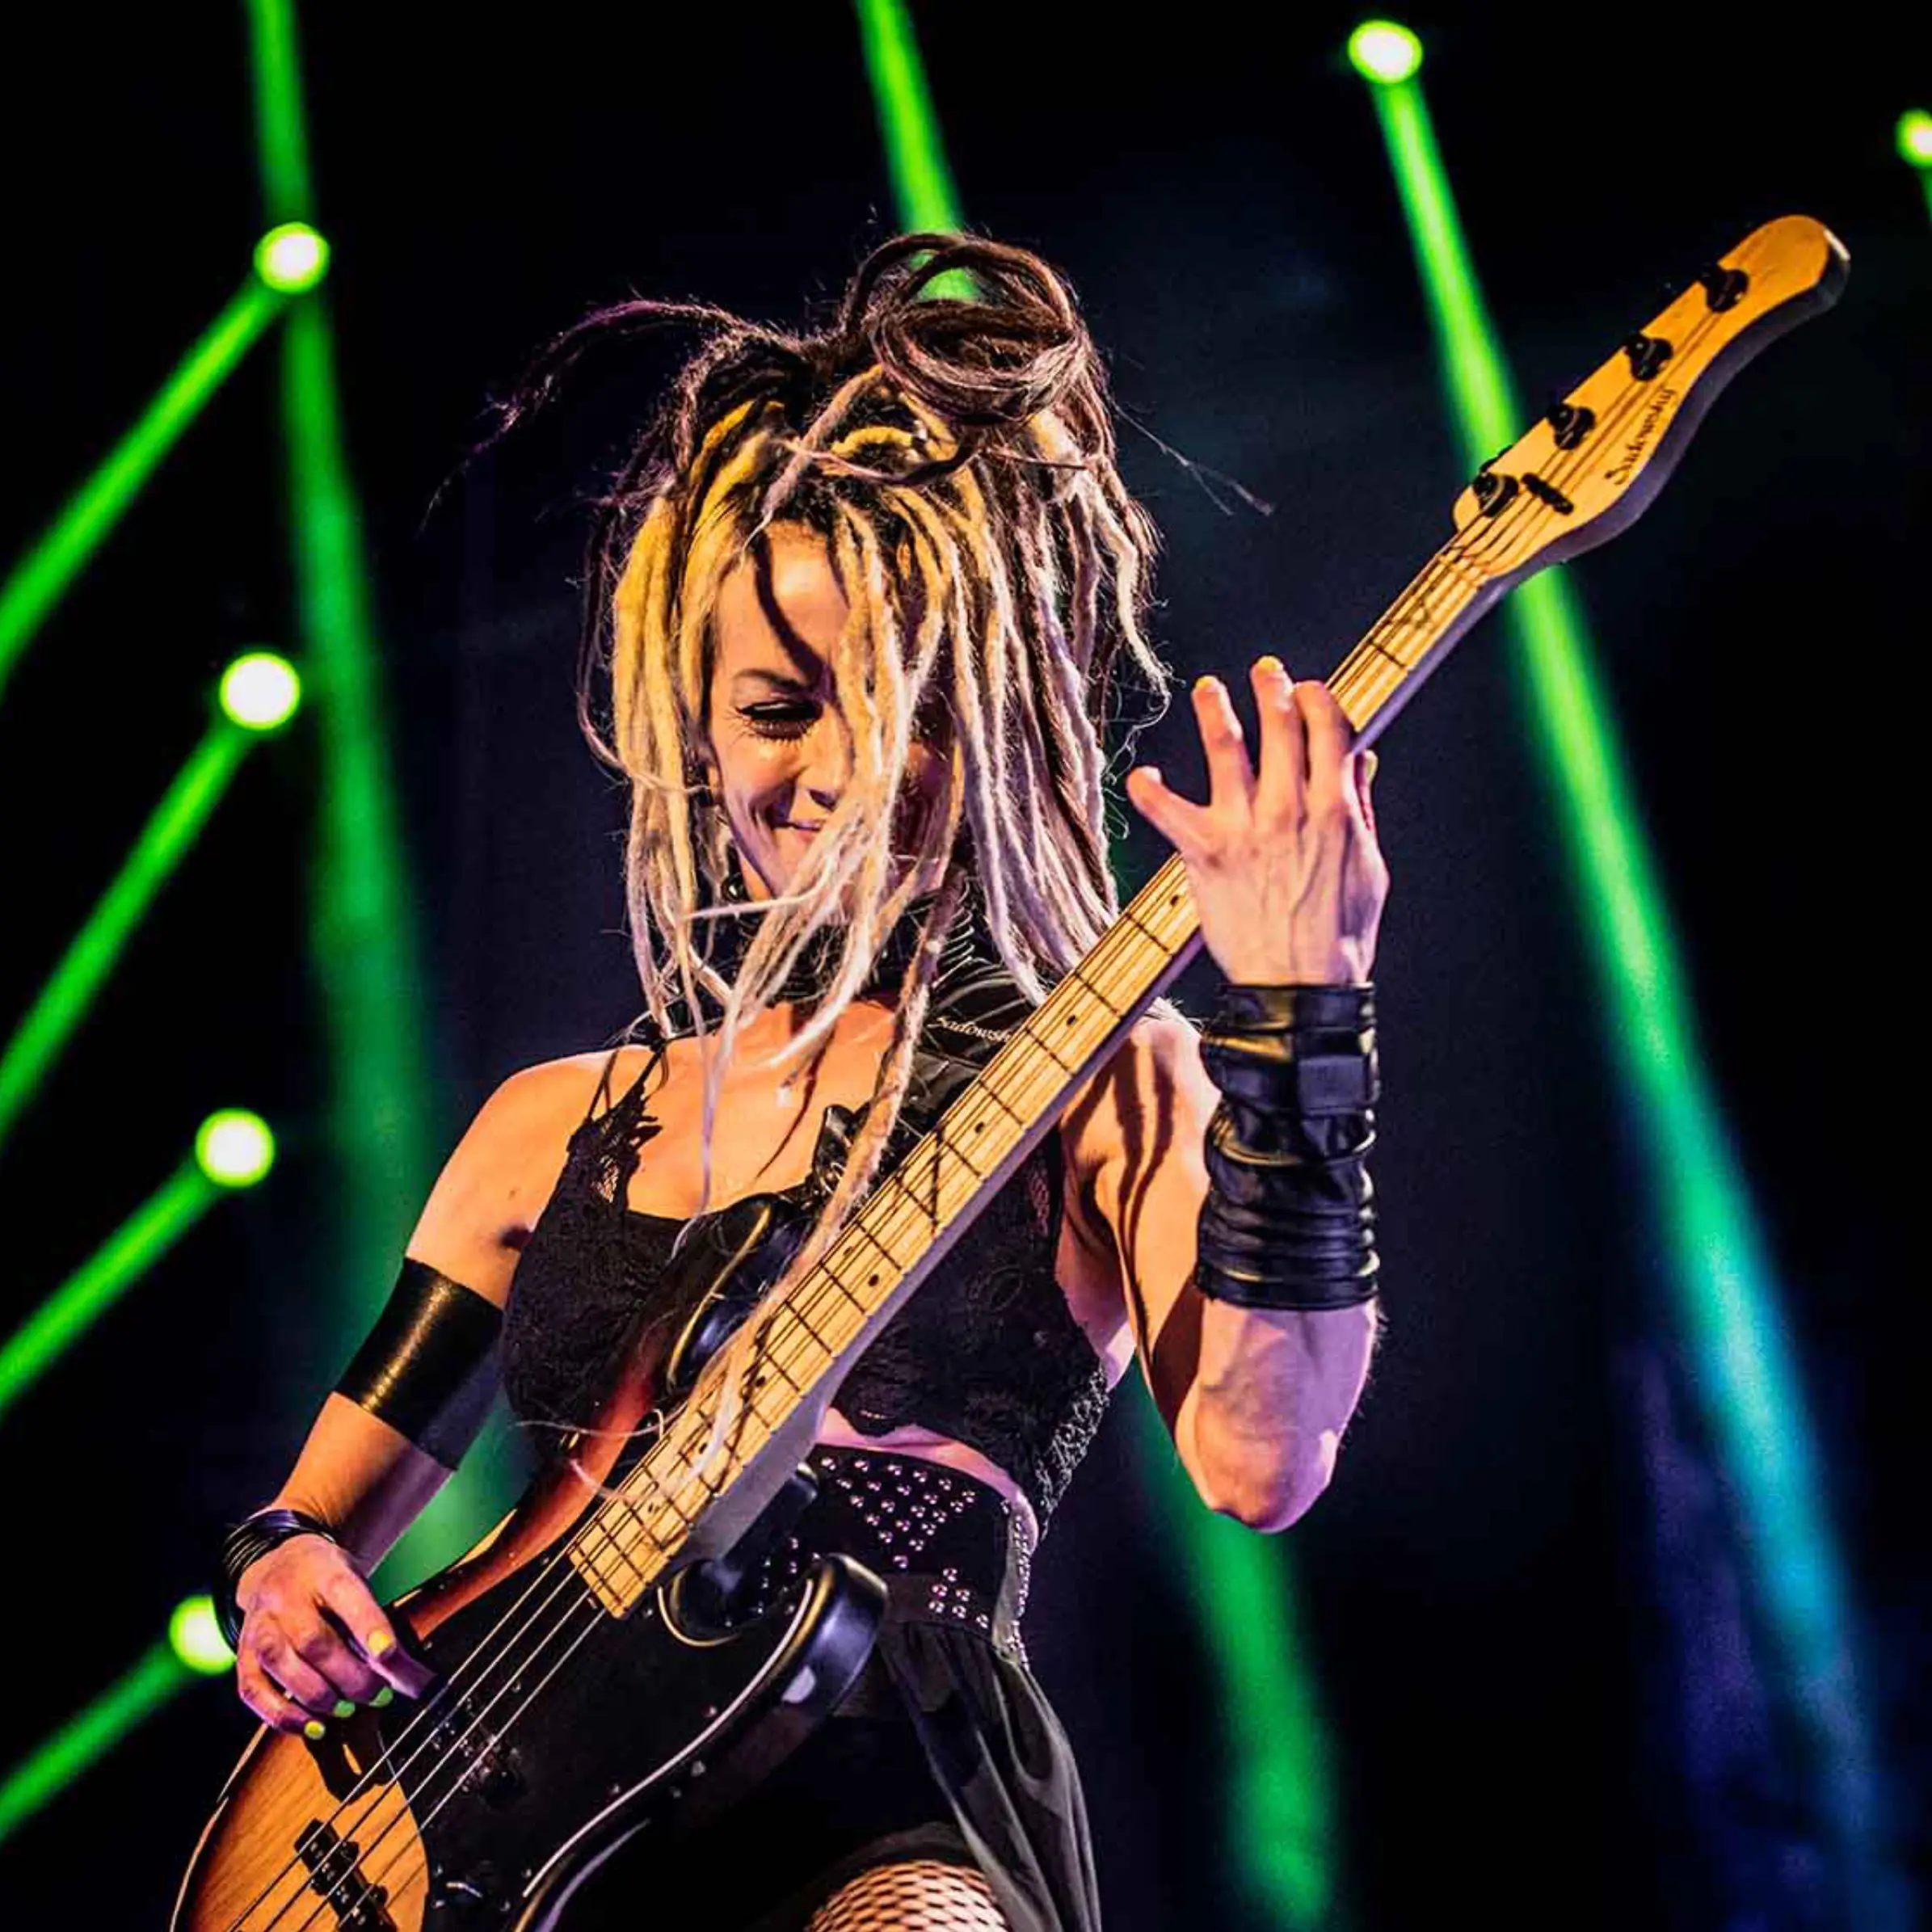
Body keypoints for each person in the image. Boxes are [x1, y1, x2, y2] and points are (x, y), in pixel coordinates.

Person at [216, 234, 1389, 1931]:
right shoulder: (549, 1126)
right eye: (778, 707)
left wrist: (1305, 1014)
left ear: (996, 715)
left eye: (906, 707)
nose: (840, 767)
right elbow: (300, 1516)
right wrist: (280, 1575)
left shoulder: (1108, 1083)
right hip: (520, 1831)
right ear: (698, 733)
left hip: (887, 1791)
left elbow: (1261, 1458)